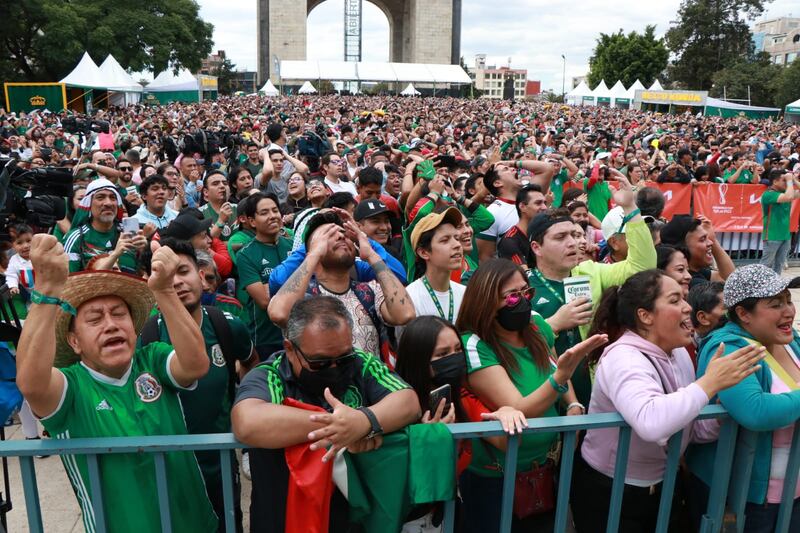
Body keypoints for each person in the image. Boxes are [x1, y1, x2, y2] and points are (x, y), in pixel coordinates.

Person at [16, 234, 218, 532]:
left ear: (134, 329)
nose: (111, 324)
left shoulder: (152, 361)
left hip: (195, 523)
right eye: (95, 319)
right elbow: (31, 384)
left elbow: (196, 364)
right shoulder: (70, 388)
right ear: (74, 341)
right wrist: (46, 291)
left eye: (120, 314)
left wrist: (164, 291)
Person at [572, 270, 764, 533]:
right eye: (675, 300)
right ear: (645, 316)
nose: (687, 307)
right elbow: (651, 423)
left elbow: (691, 428)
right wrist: (709, 383)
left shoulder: (679, 354)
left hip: (663, 485)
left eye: (685, 299)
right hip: (613, 491)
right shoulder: (624, 358)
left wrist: (722, 412)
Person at [231, 296, 420, 533]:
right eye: (320, 362)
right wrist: (340, 427)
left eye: (343, 358)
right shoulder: (270, 374)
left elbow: (407, 400)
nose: (334, 368)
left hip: (355, 520)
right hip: (287, 519)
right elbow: (247, 422)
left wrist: (363, 421)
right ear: (290, 350)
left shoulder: (361, 362)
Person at [457, 258, 607, 533]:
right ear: (486, 300)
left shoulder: (535, 326)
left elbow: (554, 363)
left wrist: (572, 403)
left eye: (527, 293)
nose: (523, 301)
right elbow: (519, 406)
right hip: (497, 478)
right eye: (513, 297)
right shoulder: (474, 345)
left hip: (546, 467)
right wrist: (562, 378)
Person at [139, 238, 257, 532]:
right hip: (167, 464)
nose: (177, 282)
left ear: (201, 276)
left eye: (183, 271)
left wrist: (244, 408)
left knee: (228, 525)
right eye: (167, 276)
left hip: (219, 460)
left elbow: (251, 363)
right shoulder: (147, 335)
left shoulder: (226, 325)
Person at [687, 265, 800, 532]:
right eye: (775, 304)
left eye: (788, 300)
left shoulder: (789, 338)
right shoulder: (727, 348)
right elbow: (756, 410)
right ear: (742, 313)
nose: (789, 311)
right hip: (751, 499)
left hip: (792, 492)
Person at [529, 177, 656, 406]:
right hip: (542, 394)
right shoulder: (521, 286)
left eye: (575, 235)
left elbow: (642, 267)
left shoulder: (591, 272)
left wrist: (630, 209)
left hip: (594, 388)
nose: (572, 243)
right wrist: (554, 324)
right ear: (536, 247)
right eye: (560, 237)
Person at [268, 210, 415, 366]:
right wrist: (313, 254)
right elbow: (279, 313)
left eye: (344, 234)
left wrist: (372, 254)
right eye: (328, 235)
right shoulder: (301, 297)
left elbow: (405, 314)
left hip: (367, 387)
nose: (340, 236)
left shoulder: (369, 290)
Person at [235, 192, 293, 360]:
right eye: (264, 213)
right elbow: (263, 301)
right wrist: (296, 283)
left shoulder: (293, 244)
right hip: (267, 338)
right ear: (252, 221)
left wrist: (271, 286)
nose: (272, 216)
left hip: (299, 331)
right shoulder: (246, 255)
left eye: (275, 210)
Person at [63, 178, 146, 274]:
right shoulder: (76, 238)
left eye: (113, 197)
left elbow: (145, 275)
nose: (108, 203)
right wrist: (115, 254)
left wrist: (144, 252)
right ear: (89, 203)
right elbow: (68, 280)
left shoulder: (129, 232)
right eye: (100, 197)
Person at [477, 159, 553, 261]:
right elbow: (485, 257)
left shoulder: (531, 196)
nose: (513, 169)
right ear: (497, 183)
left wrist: (511, 163)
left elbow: (547, 168)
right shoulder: (491, 213)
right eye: (505, 169)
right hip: (517, 271)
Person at [404, 208, 466, 324]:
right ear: (423, 253)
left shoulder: (466, 294)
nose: (457, 245)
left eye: (456, 238)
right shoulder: (410, 298)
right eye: (445, 240)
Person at [660, 215, 735, 287]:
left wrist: (714, 241)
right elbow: (733, 284)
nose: (710, 243)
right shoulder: (692, 283)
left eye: (708, 238)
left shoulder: (696, 270)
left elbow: (728, 277)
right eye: (702, 239)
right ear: (683, 246)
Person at [497, 184, 547, 269]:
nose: (544, 207)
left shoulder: (546, 232)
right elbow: (525, 276)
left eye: (544, 203)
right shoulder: (509, 241)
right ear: (522, 207)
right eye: (538, 203)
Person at [760, 169, 800, 274]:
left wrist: (794, 180)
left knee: (779, 265)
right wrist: (790, 181)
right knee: (765, 265)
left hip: (785, 235)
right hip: (772, 236)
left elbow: (791, 194)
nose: (786, 182)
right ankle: (757, 286)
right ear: (775, 182)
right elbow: (789, 197)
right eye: (784, 180)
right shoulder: (768, 194)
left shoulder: (785, 192)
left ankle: (775, 287)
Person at [200, 170, 237, 242]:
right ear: (206, 192)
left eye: (225, 183)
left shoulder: (239, 209)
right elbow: (206, 244)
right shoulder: (199, 213)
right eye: (215, 184)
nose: (222, 186)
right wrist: (221, 221)